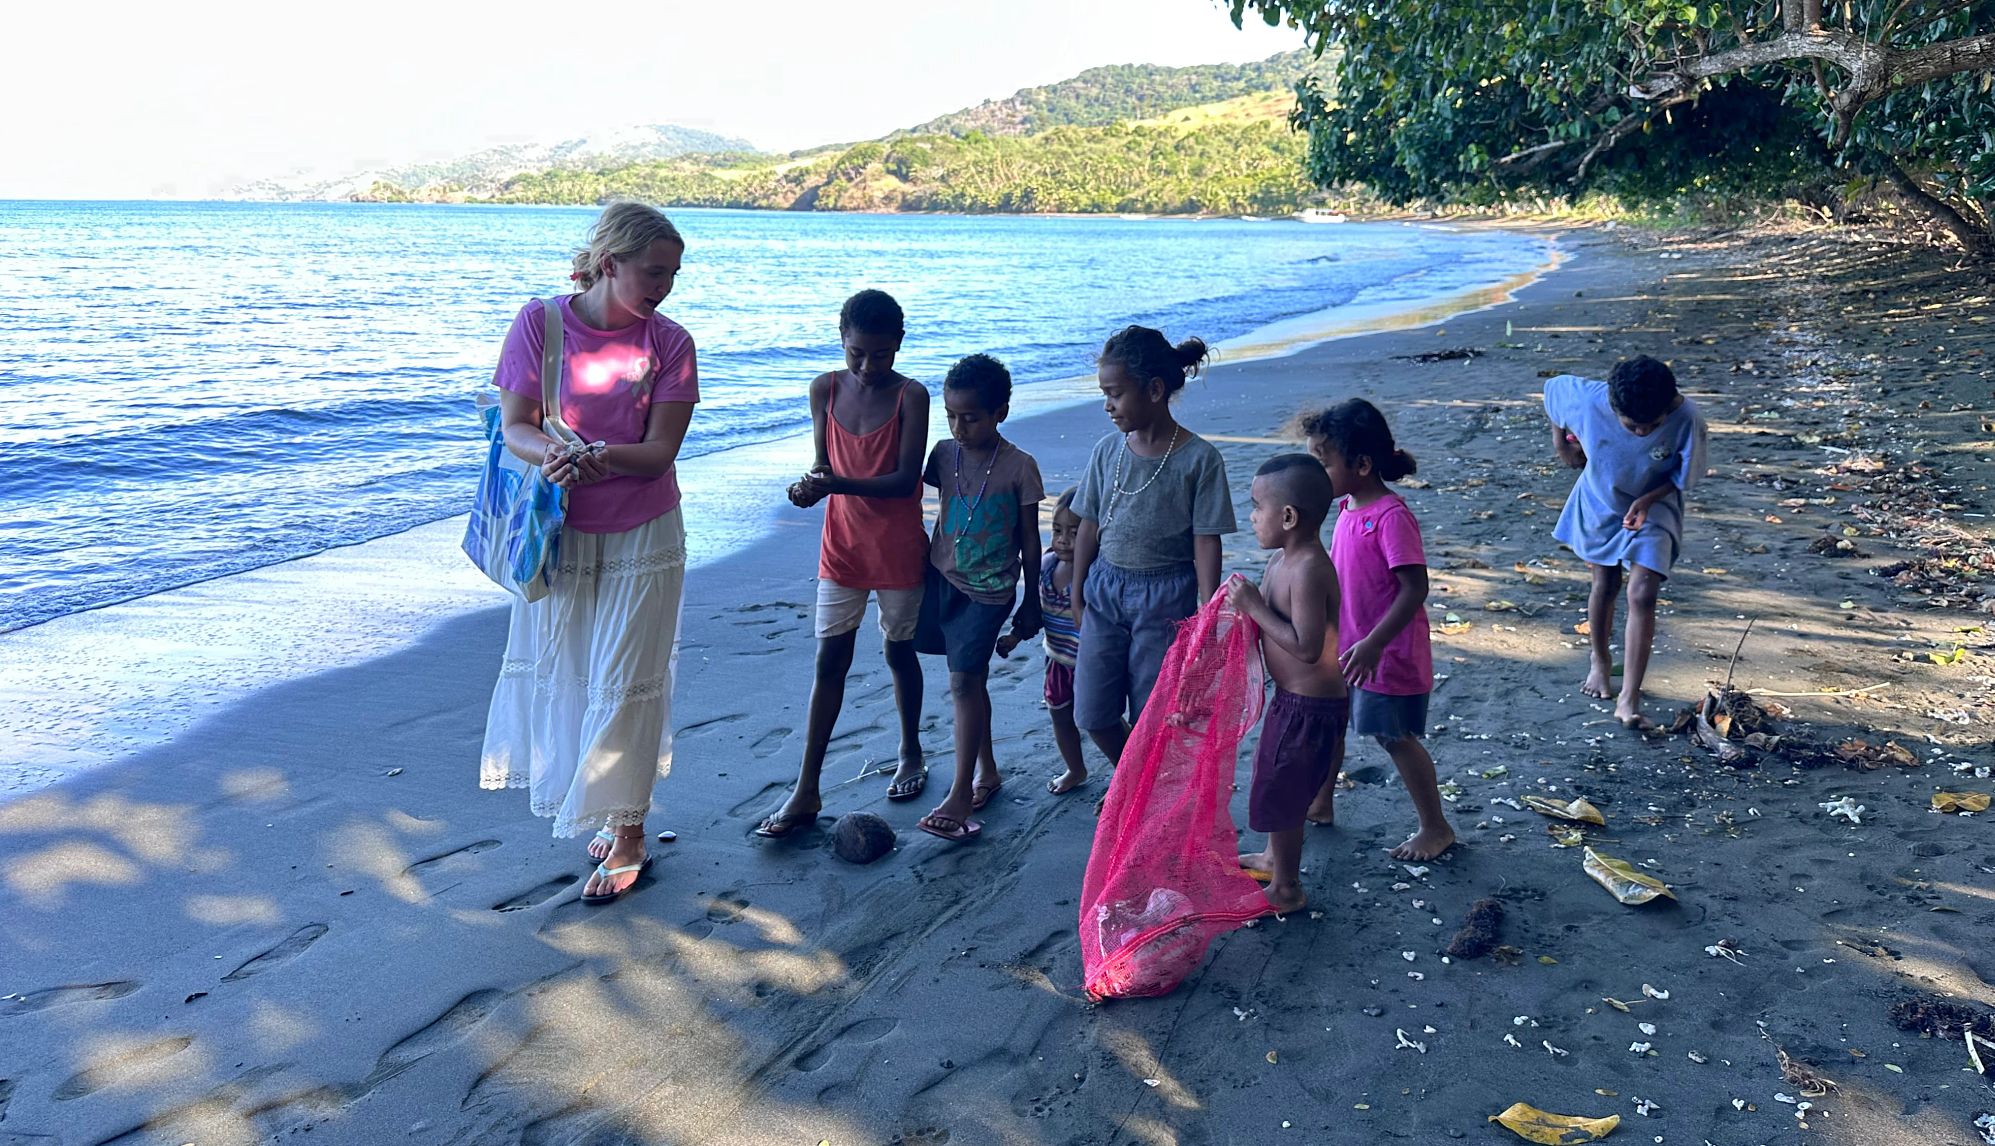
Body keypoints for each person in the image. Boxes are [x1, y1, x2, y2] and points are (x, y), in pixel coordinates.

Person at [480, 201, 698, 905]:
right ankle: (609, 808)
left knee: (627, 680)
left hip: (646, 530)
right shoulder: (538, 323)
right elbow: (513, 426)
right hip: (561, 528)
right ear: (610, 264)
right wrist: (555, 456)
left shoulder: (671, 342)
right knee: (572, 673)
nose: (665, 285)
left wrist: (596, 458)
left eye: (672, 273)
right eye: (653, 272)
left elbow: (662, 450)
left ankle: (629, 830)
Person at [757, 290, 930, 837]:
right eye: (857, 353)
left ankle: (910, 751)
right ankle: (806, 788)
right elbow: (821, 466)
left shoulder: (912, 396)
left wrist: (838, 485)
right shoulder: (824, 388)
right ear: (841, 340)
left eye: (881, 354)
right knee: (830, 662)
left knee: (899, 653)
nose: (868, 365)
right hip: (842, 547)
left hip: (898, 546)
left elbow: (906, 480)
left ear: (898, 345)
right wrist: (809, 488)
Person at [1070, 327, 1236, 766]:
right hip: (1104, 591)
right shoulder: (1108, 451)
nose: (1107, 405)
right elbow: (1088, 524)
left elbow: (1205, 540)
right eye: (1105, 393)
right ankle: (1132, 777)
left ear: (1155, 390)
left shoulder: (1199, 459)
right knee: (1092, 711)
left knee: (1152, 712)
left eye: (1116, 394)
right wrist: (1076, 592)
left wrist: (1205, 612)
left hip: (1166, 598)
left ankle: (1139, 790)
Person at [1301, 399, 1455, 862]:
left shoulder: (1390, 516)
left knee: (1393, 736)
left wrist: (1374, 642)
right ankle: (1321, 801)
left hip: (1385, 652)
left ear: (1362, 464)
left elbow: (1414, 588)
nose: (1316, 472)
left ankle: (1436, 826)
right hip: (1350, 647)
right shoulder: (1347, 508)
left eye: (1323, 462)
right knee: (1332, 724)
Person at [911, 354, 1044, 842]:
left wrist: (1032, 600)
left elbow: (1031, 539)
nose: (959, 426)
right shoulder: (943, 455)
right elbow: (912, 500)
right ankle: (987, 772)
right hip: (942, 580)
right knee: (972, 681)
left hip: (991, 592)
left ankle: (962, 789)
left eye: (971, 416)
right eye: (951, 415)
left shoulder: (1019, 467)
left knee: (964, 682)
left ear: (1000, 412)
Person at [1544, 356, 1708, 731]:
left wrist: (1648, 500)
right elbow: (1551, 393)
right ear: (1613, 407)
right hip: (1600, 500)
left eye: (1652, 425)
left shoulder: (1688, 418)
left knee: (1643, 593)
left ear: (1669, 406)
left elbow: (1685, 477)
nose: (1641, 432)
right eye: (1632, 425)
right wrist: (1563, 447)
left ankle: (1628, 697)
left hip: (1656, 503)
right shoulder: (1588, 400)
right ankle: (1600, 662)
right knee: (1605, 583)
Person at [1226, 455, 1347, 913]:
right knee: (1273, 779)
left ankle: (1287, 888)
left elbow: (1307, 646)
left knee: (1283, 791)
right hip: (1290, 703)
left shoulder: (1310, 568)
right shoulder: (1282, 559)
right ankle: (1273, 857)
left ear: (1288, 517)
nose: (1253, 516)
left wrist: (1254, 608)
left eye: (1258, 507)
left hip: (1310, 708)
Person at [999, 487, 1088, 795]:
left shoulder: (1096, 572)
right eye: (1058, 530)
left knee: (1104, 721)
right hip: (1057, 660)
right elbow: (1035, 614)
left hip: (1091, 663)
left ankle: (1125, 772)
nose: (1063, 539)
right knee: (1060, 716)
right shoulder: (1047, 566)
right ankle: (1075, 769)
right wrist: (1014, 637)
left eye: (1075, 532)